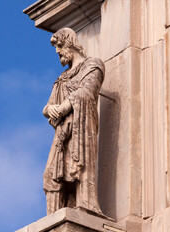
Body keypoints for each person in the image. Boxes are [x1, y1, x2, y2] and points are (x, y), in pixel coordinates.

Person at [43, 27, 105, 215]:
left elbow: (87, 91)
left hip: (82, 129)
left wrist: (62, 108)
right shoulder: (62, 78)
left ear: (69, 43)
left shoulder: (93, 66)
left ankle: (85, 208)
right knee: (50, 176)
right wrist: (50, 109)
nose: (58, 52)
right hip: (62, 133)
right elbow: (47, 106)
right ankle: (53, 219)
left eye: (60, 47)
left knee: (80, 171)